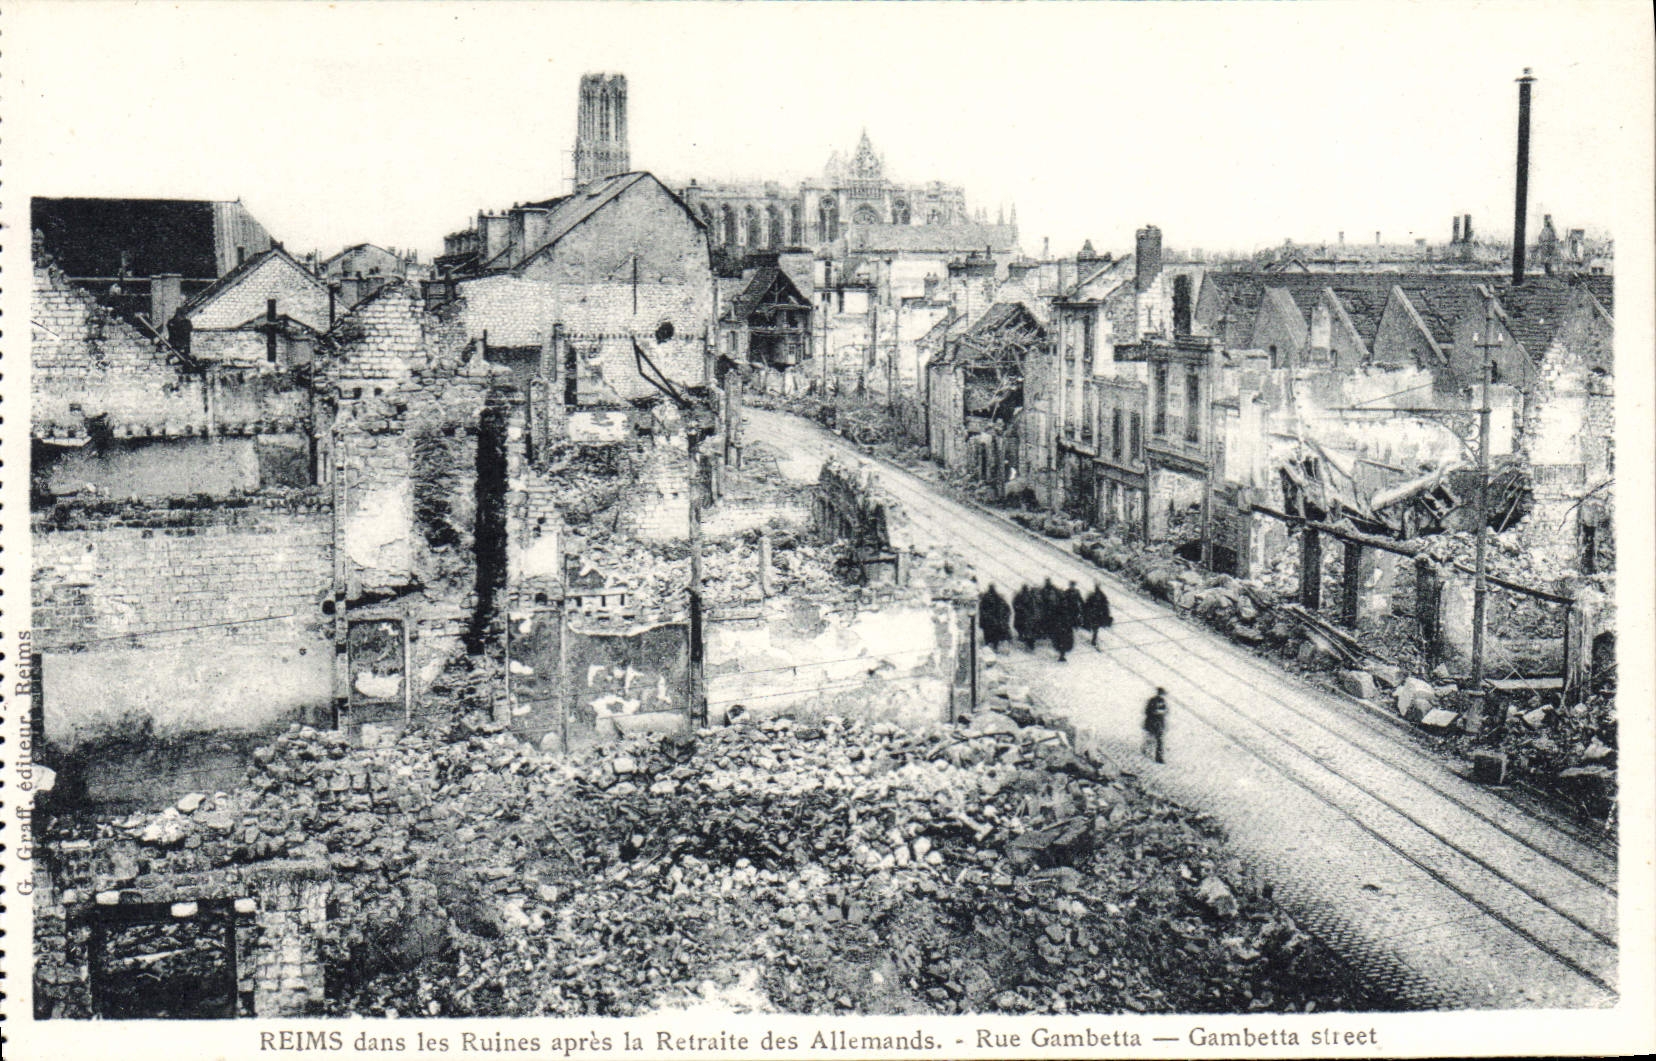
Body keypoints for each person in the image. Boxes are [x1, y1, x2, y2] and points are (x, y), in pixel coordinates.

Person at [1052, 580, 1082, 662]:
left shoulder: (1077, 592)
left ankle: (1062, 654)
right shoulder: (1066, 593)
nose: (1072, 586)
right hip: (1063, 623)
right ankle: (1061, 654)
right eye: (1071, 585)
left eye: (1073, 585)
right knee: (1061, 639)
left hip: (1072, 611)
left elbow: (1080, 600)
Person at [979, 583, 1012, 651]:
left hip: (989, 620)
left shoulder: (985, 597)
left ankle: (989, 646)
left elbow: (982, 609)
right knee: (995, 634)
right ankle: (994, 646)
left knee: (988, 634)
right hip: (995, 620)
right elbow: (1006, 608)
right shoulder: (998, 597)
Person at [1081, 583, 1113, 648]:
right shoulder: (1099, 596)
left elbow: (1104, 605)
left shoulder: (1097, 596)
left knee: (1095, 627)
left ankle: (1094, 638)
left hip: (1097, 614)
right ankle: (1094, 638)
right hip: (1095, 614)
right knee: (1095, 626)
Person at [1142, 687, 1170, 763]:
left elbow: (1167, 711)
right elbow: (1147, 711)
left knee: (1160, 741)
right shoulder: (1152, 700)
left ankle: (1159, 757)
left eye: (1162, 694)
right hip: (1152, 722)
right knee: (1151, 739)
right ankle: (1145, 750)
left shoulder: (1163, 701)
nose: (1161, 695)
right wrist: (1155, 712)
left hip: (1160, 724)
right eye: (1161, 693)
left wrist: (1162, 712)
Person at [1012, 584, 1040, 651]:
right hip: (1026, 617)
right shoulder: (1028, 596)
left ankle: (1029, 643)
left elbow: (1015, 604)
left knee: (1027, 630)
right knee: (1028, 631)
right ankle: (1029, 644)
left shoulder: (1021, 596)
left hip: (1025, 617)